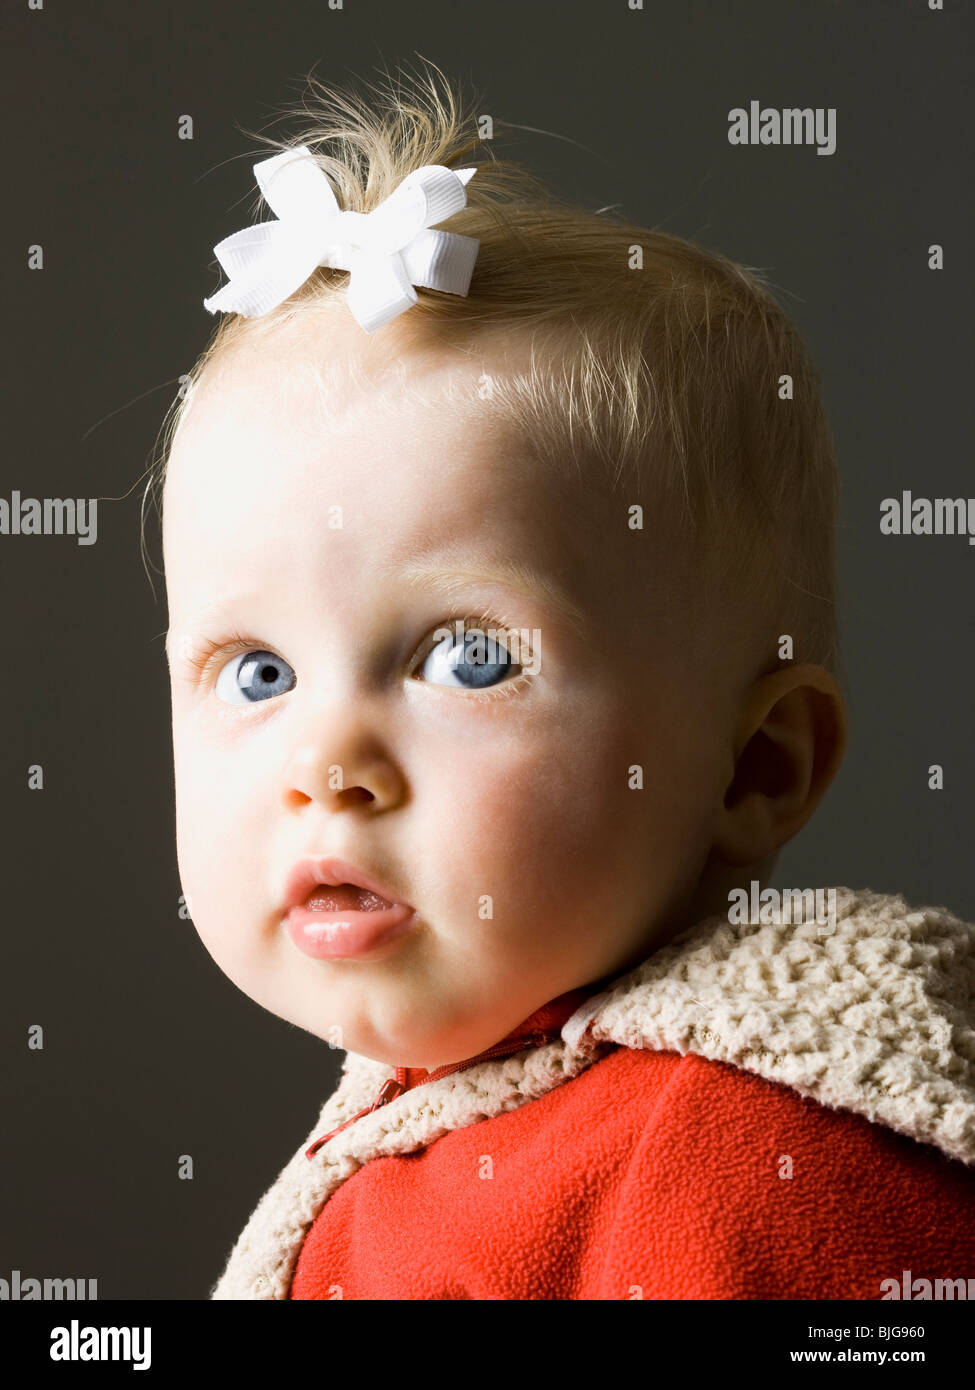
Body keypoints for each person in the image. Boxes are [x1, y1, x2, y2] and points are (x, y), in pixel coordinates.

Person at [150, 61, 975, 1300]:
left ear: (756, 765)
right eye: (259, 670)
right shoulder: (414, 1129)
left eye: (467, 657)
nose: (328, 765)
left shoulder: (747, 1155)